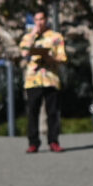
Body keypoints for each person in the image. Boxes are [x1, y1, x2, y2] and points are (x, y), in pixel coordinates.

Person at [18, 10, 67, 155]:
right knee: (33, 111)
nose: (39, 22)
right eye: (36, 19)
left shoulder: (56, 37)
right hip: (33, 79)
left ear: (46, 20)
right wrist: (33, 34)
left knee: (52, 112)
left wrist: (50, 58)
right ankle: (33, 143)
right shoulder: (28, 36)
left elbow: (63, 57)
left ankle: (53, 141)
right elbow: (24, 52)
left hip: (50, 78)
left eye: (42, 19)